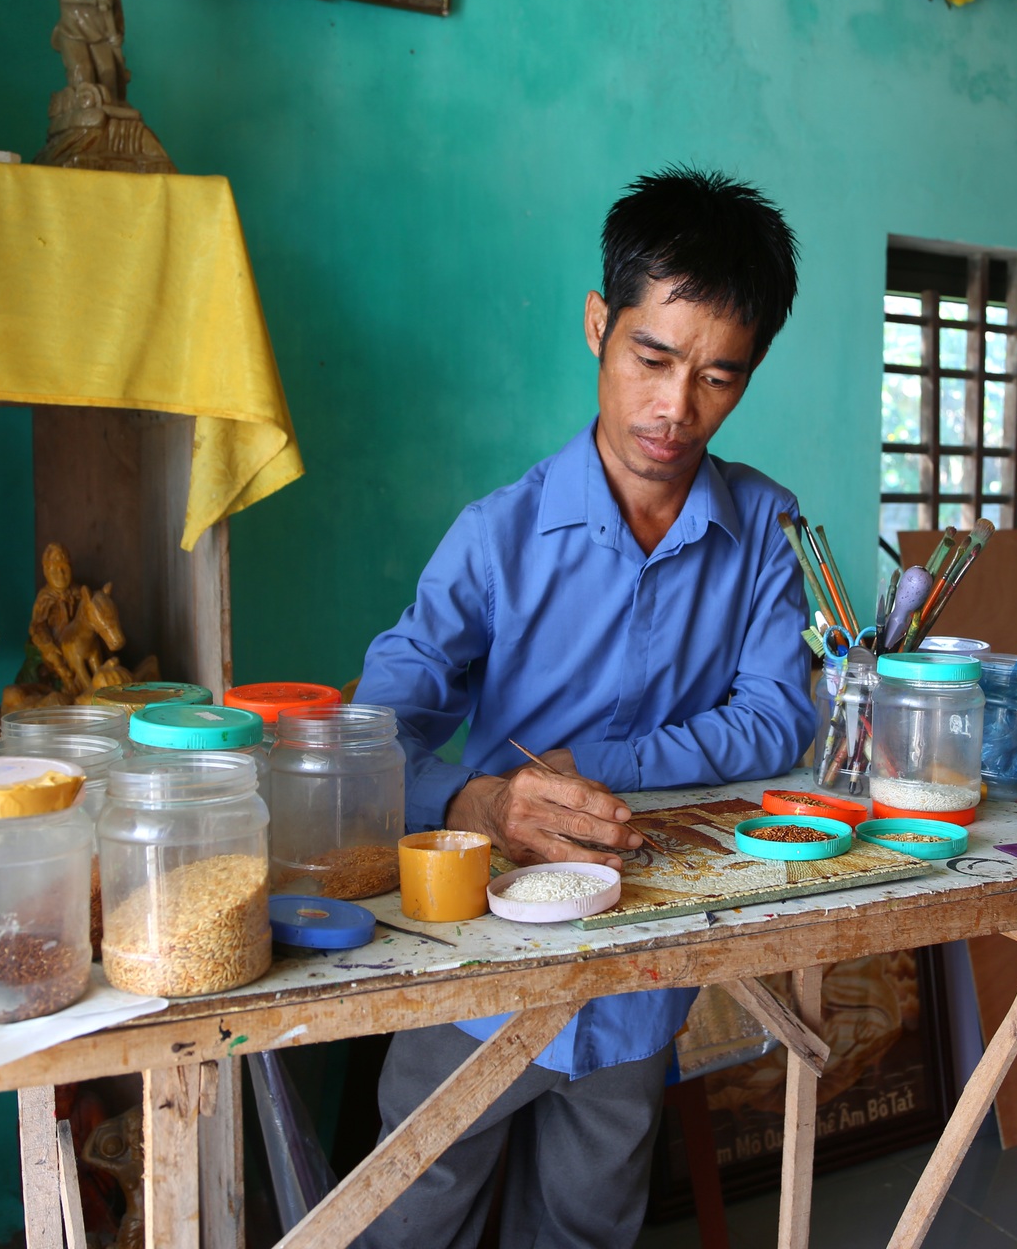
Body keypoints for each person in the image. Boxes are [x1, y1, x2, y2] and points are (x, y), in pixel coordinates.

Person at [352, 167, 817, 1248]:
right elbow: (374, 735)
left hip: (638, 983)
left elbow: (773, 717)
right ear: (599, 325)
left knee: (585, 1227)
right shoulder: (498, 534)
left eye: (718, 377)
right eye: (652, 358)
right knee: (412, 1221)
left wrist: (593, 760)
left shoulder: (764, 527)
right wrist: (482, 797)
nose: (675, 406)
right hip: (475, 969)